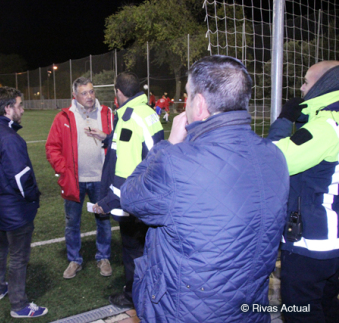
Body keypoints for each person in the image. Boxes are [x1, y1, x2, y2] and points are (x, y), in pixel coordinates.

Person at [120, 55, 289, 322]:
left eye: (187, 96)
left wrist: (168, 145)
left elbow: (130, 196)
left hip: (188, 311)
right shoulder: (275, 156)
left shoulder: (175, 161)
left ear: (199, 103)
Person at [268, 61, 339, 323]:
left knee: (301, 311)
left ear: (323, 85)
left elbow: (273, 160)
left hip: (312, 240)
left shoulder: (325, 127)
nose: (301, 88)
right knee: (327, 304)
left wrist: (285, 120)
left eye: (306, 82)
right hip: (333, 236)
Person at [88, 72, 164, 308]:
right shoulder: (148, 112)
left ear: (119, 93)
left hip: (136, 200)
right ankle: (148, 289)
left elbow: (126, 173)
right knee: (145, 248)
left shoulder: (130, 118)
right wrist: (108, 138)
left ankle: (133, 296)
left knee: (133, 250)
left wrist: (108, 202)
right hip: (152, 193)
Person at [0, 87, 48, 318]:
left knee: (1, 246)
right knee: (18, 256)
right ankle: (19, 305)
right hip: (14, 207)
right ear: (8, 109)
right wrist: (32, 197)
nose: (23, 109)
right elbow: (21, 177)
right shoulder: (8, 137)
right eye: (19, 105)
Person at [46, 77, 114, 279]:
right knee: (72, 223)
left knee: (103, 220)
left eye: (91, 92)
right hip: (74, 181)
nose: (89, 96)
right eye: (84, 93)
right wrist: (64, 169)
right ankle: (74, 260)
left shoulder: (107, 114)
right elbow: (52, 147)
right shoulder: (63, 117)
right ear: (75, 95)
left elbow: (117, 141)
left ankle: (103, 257)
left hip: (100, 179)